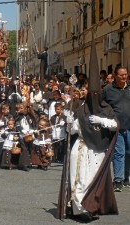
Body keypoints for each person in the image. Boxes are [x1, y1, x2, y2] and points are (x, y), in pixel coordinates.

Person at [57, 35, 118, 221]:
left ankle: (92, 207)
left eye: (95, 94)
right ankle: (79, 209)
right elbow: (73, 132)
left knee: (93, 180)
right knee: (79, 179)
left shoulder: (106, 109)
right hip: (81, 148)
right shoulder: (81, 110)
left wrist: (101, 121)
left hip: (98, 151)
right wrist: (69, 122)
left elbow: (115, 125)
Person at [103, 66, 130, 191]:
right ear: (115, 76)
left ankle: (126, 177)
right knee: (119, 153)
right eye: (121, 75)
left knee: (129, 152)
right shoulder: (108, 90)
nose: (124, 77)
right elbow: (102, 106)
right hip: (116, 126)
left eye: (125, 74)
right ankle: (118, 180)